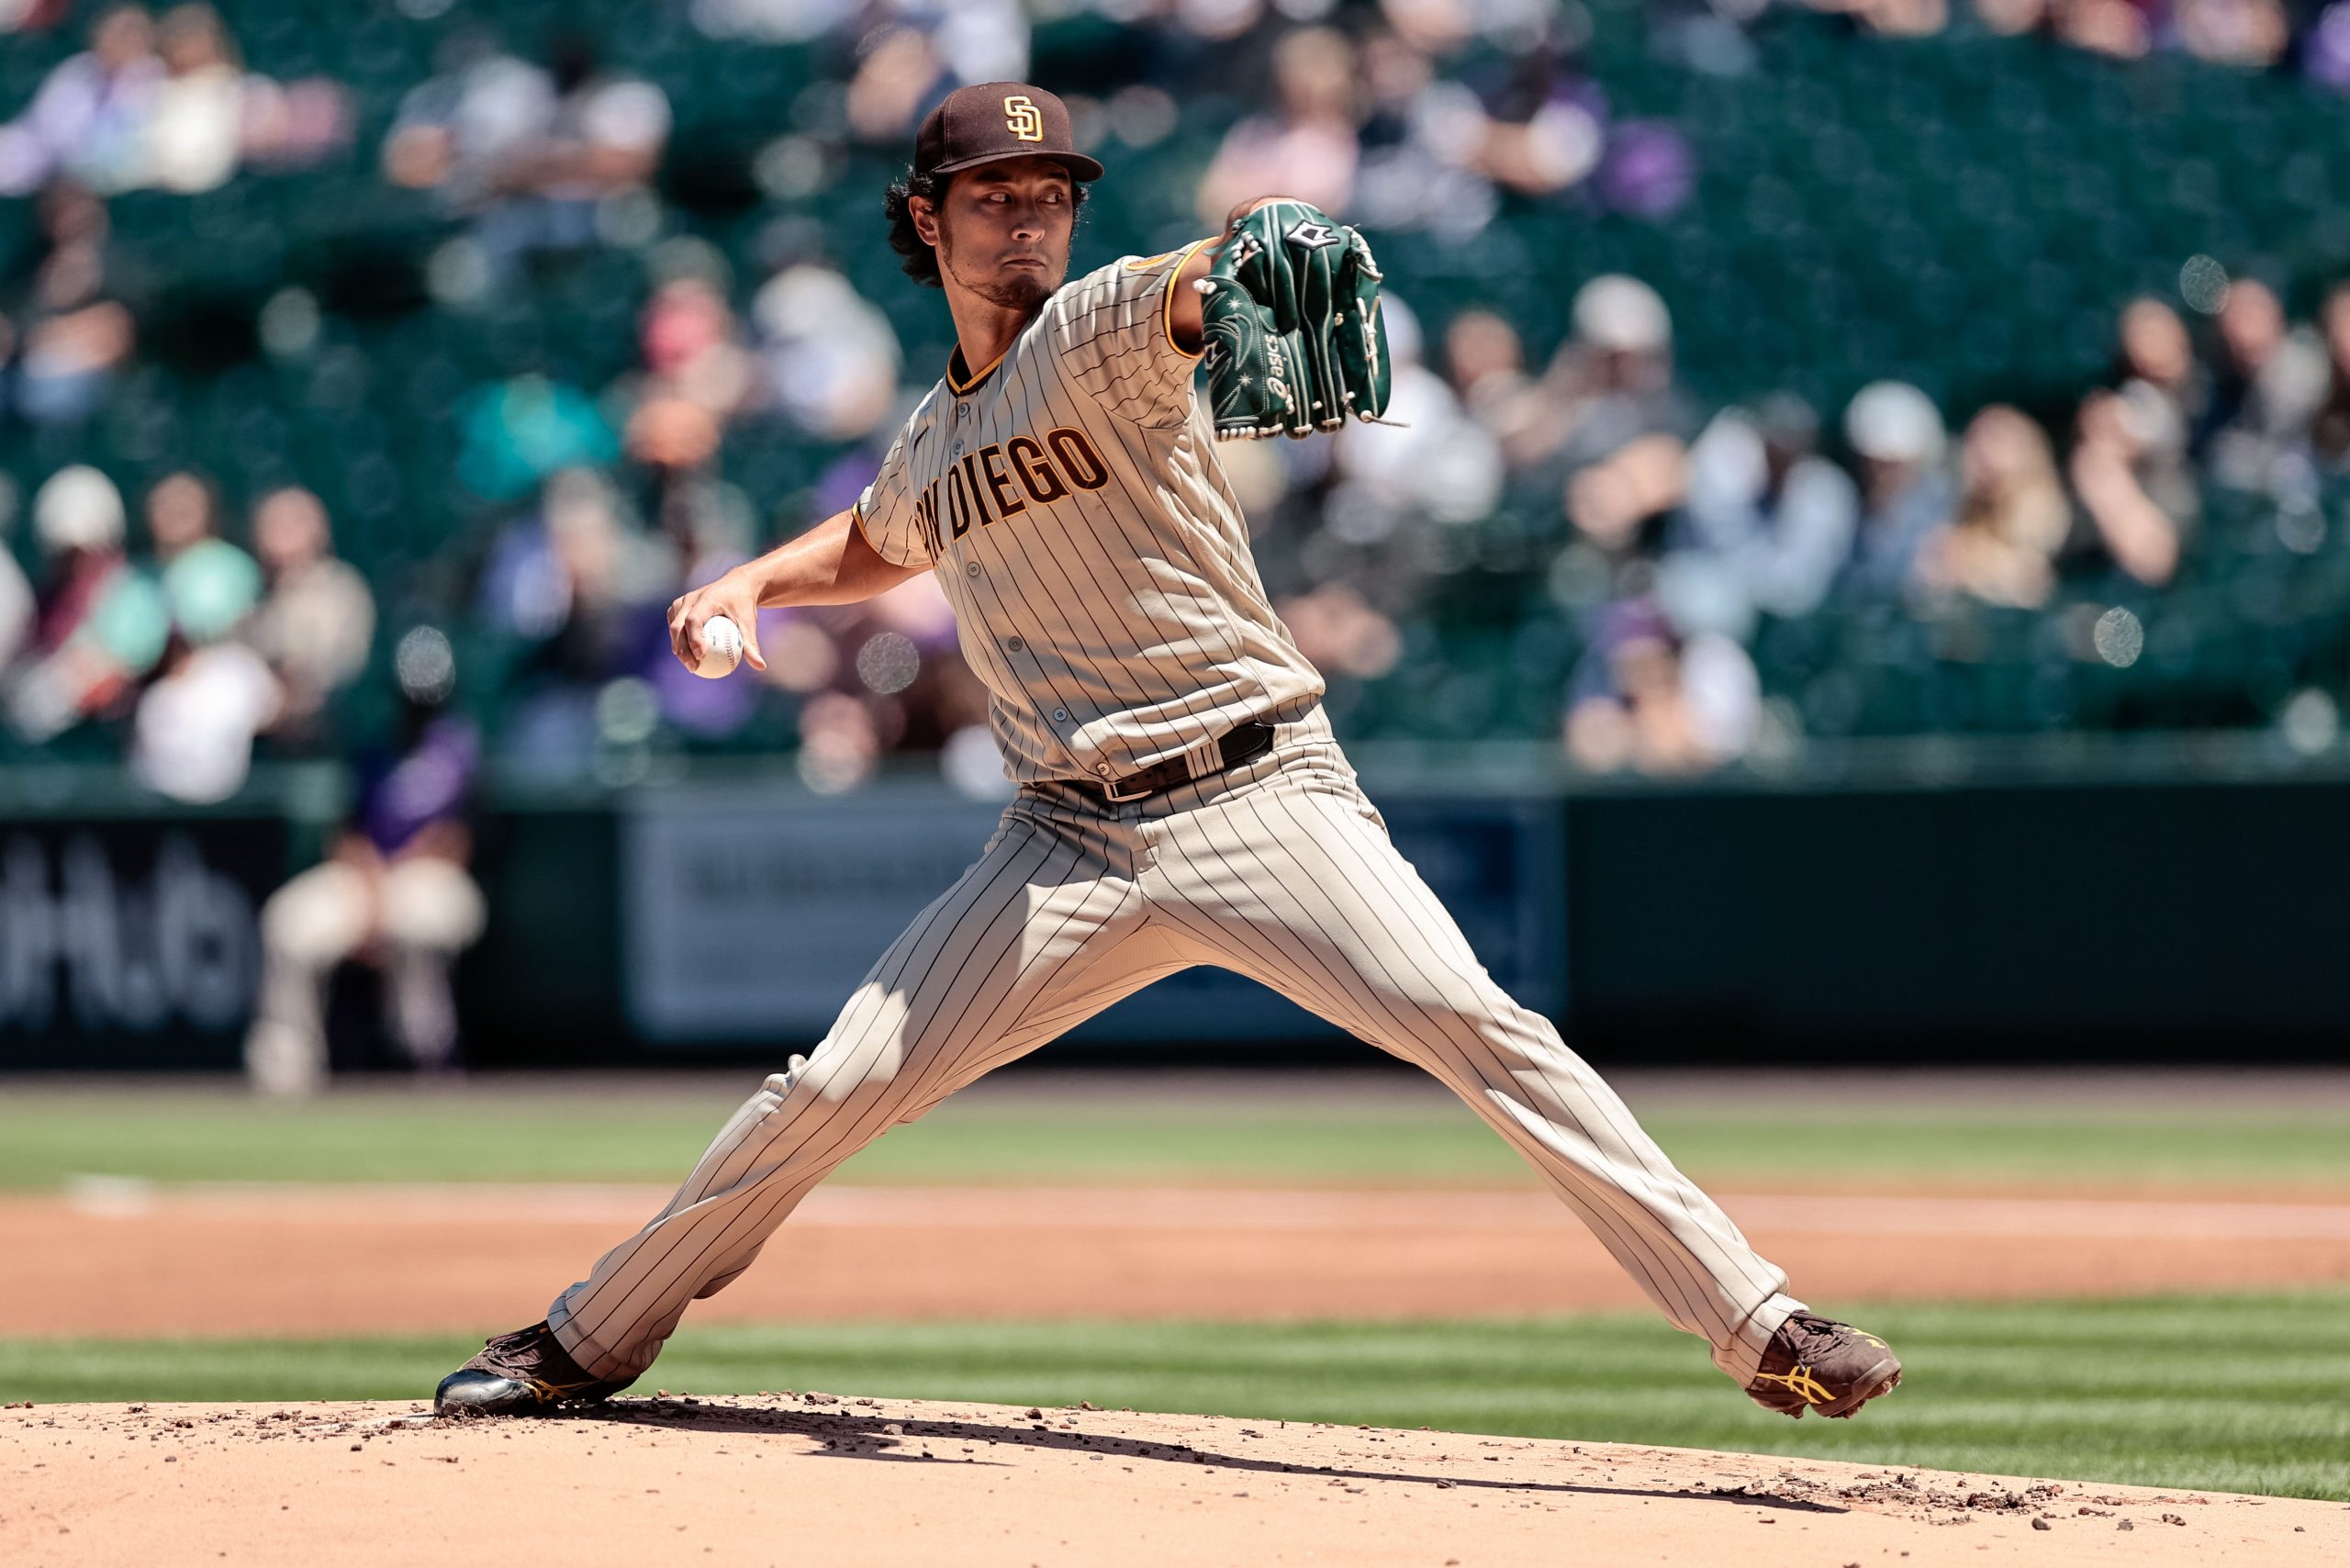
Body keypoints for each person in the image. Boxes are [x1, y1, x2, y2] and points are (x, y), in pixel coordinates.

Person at [432, 82, 1902, 1426]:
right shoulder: (933, 441)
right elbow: (885, 536)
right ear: (926, 219)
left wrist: (1243, 252)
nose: (1030, 218)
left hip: (1264, 793)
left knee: (1481, 1027)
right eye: (997, 196)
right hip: (1061, 844)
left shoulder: (1094, 329)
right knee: (830, 1087)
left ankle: (1761, 1322)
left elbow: (1188, 290)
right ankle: (585, 1339)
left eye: (1052, 194)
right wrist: (750, 581)